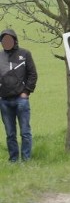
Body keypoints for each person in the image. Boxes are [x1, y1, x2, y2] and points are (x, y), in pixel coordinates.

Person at [0, 29, 37, 162]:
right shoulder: (0, 56)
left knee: (25, 132)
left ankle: (26, 160)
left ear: (15, 40)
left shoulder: (25, 54)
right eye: (4, 40)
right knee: (10, 134)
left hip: (21, 100)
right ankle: (13, 160)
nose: (7, 42)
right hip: (4, 101)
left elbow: (32, 74)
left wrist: (26, 92)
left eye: (9, 39)